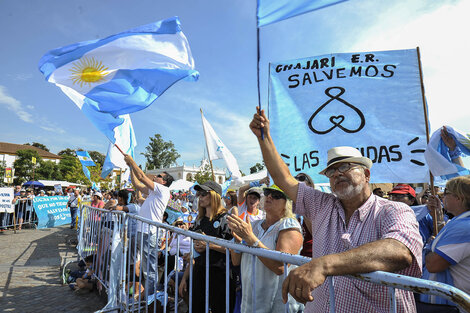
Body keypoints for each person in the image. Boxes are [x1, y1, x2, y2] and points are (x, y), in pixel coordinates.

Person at [249, 108, 423, 313]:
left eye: (346, 167)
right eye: (332, 171)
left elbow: (400, 251)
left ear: (366, 174)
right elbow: (284, 179)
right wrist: (264, 138)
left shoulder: (394, 210)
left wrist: (325, 265)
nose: (337, 174)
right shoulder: (322, 205)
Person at [228, 185, 304, 313]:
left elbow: (280, 267)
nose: (269, 196)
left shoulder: (289, 226)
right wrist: (237, 241)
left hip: (277, 304)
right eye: (268, 192)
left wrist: (252, 240)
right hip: (250, 302)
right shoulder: (253, 225)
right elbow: (236, 262)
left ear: (287, 204)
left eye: (276, 195)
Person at [178, 181, 235, 313]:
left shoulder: (226, 219)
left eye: (204, 194)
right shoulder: (199, 220)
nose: (200, 198)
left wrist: (209, 245)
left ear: (214, 196)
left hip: (220, 275)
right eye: (199, 194)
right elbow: (195, 253)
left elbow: (234, 250)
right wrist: (185, 278)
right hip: (199, 272)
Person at [124, 154, 174, 295]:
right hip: (143, 230)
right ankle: (150, 296)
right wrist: (130, 168)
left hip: (149, 232)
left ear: (163, 182)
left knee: (149, 268)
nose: (155, 177)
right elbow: (137, 184)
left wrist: (132, 162)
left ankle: (151, 299)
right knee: (146, 266)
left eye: (158, 176)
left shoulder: (163, 190)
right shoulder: (154, 191)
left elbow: (142, 177)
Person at [420, 176, 470, 313]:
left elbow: (433, 265)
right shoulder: (462, 223)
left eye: (446, 192)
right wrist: (438, 214)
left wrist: (427, 248)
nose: (443, 196)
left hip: (457, 305)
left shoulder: (464, 227)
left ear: (459, 198)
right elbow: (451, 242)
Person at [294, 173, 314, 258]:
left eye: (303, 188)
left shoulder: (317, 206)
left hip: (312, 256)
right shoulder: (291, 208)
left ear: (311, 187)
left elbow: (316, 233)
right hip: (295, 257)